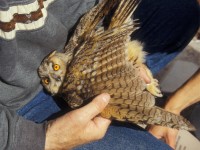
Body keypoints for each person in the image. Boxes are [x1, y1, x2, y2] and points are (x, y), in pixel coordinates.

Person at [0, 0, 199, 150]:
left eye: (55, 69)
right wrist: (38, 139)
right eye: (48, 79)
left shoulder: (73, 80)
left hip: (86, 38)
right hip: (15, 106)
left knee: (182, 11)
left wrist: (123, 61)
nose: (55, 78)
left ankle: (135, 81)